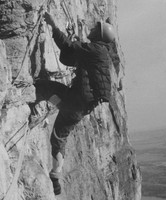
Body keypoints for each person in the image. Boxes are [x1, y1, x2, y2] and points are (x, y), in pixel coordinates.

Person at [34, 12, 116, 195]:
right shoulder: (99, 51)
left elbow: (67, 46)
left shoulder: (94, 50)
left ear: (99, 35)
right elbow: (70, 56)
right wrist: (78, 43)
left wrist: (53, 25)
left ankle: (36, 104)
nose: (92, 28)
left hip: (72, 102)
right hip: (79, 107)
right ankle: (55, 174)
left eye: (96, 28)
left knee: (41, 87)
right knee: (59, 137)